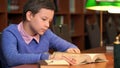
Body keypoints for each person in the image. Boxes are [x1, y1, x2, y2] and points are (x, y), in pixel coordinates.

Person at [2, 0, 80, 67]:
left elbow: (69, 46)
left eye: (49, 21)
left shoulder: (46, 34)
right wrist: (48, 57)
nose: (47, 25)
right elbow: (11, 58)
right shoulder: (10, 33)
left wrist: (71, 51)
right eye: (44, 19)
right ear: (29, 16)